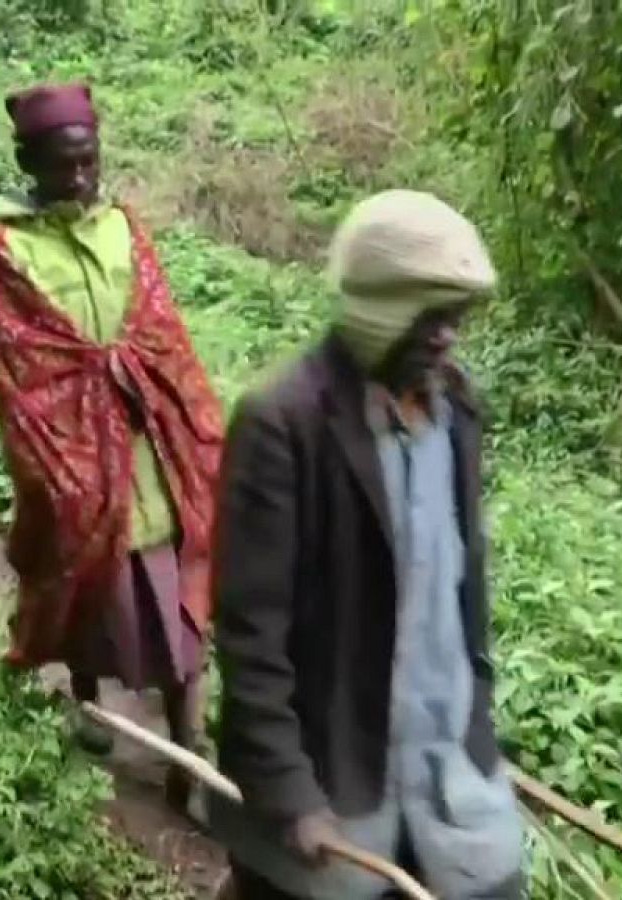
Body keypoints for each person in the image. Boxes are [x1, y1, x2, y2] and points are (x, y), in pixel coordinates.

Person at [209, 190, 526, 899]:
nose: (447, 338)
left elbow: (465, 588)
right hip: (333, 775)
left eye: (456, 318)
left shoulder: (455, 411)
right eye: (430, 317)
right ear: (378, 306)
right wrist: (289, 792)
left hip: (447, 768)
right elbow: (250, 634)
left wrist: (477, 705)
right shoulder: (282, 423)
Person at [0, 81, 225, 814]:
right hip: (71, 454)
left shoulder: (124, 229)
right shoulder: (6, 250)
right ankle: (88, 702)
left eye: (89, 161)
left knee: (179, 610)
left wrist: (151, 387)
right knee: (83, 583)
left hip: (149, 450)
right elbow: (22, 365)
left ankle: (190, 751)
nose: (79, 177)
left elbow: (161, 330)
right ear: (29, 163)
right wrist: (72, 430)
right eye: (62, 164)